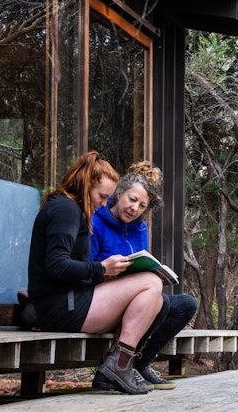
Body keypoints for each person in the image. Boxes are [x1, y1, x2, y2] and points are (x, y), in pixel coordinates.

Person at [27, 151, 164, 395]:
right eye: (102, 197)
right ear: (85, 184)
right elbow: (56, 265)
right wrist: (101, 268)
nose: (103, 204)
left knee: (156, 297)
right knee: (151, 283)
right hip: (60, 308)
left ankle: (115, 365)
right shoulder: (65, 209)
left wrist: (103, 274)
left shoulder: (68, 208)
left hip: (69, 302)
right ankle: (119, 365)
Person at [90, 161, 198, 390]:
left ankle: (138, 364)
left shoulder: (140, 228)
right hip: (102, 297)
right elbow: (85, 267)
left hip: (133, 299)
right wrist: (104, 273)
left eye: (142, 206)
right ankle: (120, 365)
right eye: (132, 200)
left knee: (185, 304)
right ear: (119, 194)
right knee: (163, 302)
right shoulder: (96, 220)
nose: (135, 208)